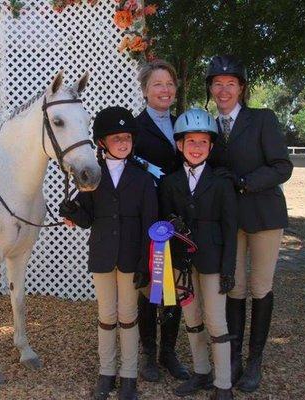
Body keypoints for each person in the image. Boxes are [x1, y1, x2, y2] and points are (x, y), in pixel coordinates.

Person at [205, 55, 294, 393]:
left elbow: (282, 166)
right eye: (217, 83)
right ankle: (234, 358)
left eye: (230, 84)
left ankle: (255, 359)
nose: (223, 89)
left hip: (264, 214)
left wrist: (244, 181)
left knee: (260, 287)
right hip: (230, 221)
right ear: (211, 89)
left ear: (241, 88)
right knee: (235, 287)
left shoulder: (262, 119)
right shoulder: (210, 127)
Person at [59, 106, 157, 400]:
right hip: (102, 257)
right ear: (101, 142)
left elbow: (150, 224)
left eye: (127, 137)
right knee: (106, 315)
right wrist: (73, 211)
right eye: (116, 138)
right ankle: (107, 372)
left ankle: (128, 376)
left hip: (131, 260)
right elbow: (87, 220)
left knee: (128, 316)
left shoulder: (142, 179)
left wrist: (145, 262)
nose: (123, 143)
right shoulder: (93, 177)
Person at [160, 108, 237, 400]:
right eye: (190, 142)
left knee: (217, 321)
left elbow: (231, 229)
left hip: (214, 262)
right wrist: (170, 222)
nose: (196, 148)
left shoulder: (222, 183)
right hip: (182, 262)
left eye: (202, 142)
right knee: (191, 318)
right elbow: (162, 221)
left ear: (211, 146)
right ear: (179, 145)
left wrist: (229, 268)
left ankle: (223, 384)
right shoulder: (169, 183)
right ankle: (202, 372)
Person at [134, 59, 189, 381]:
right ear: (145, 90)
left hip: (181, 217)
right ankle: (148, 354)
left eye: (169, 84)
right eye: (157, 84)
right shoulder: (136, 128)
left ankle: (169, 352)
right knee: (151, 288)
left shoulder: (185, 124)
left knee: (175, 285)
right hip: (152, 220)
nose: (164, 90)